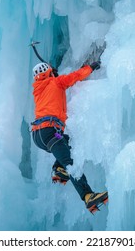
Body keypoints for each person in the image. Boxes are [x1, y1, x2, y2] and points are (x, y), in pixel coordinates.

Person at [31, 61, 108, 214]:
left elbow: (50, 91)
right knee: (71, 163)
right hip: (50, 130)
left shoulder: (38, 90)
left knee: (67, 142)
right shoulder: (57, 82)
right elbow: (76, 76)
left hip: (38, 135)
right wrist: (91, 67)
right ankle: (87, 195)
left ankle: (58, 169)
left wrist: (52, 75)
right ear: (50, 73)